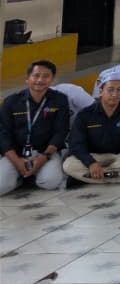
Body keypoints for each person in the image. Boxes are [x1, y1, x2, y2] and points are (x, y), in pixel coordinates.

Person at [0, 60, 71, 195]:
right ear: (27, 79)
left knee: (50, 182)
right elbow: (3, 134)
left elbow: (61, 132)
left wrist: (44, 157)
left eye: (46, 76)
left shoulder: (60, 100)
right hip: (16, 154)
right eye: (36, 75)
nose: (40, 80)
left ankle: (31, 175)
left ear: (52, 79)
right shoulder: (11, 101)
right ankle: (21, 177)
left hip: (45, 152)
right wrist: (16, 161)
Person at [63, 73, 120, 185]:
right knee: (69, 165)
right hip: (94, 156)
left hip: (119, 155)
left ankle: (88, 177)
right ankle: (118, 176)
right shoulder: (85, 114)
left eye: (119, 90)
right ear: (101, 91)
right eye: (110, 90)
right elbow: (76, 144)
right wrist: (91, 163)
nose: (115, 94)